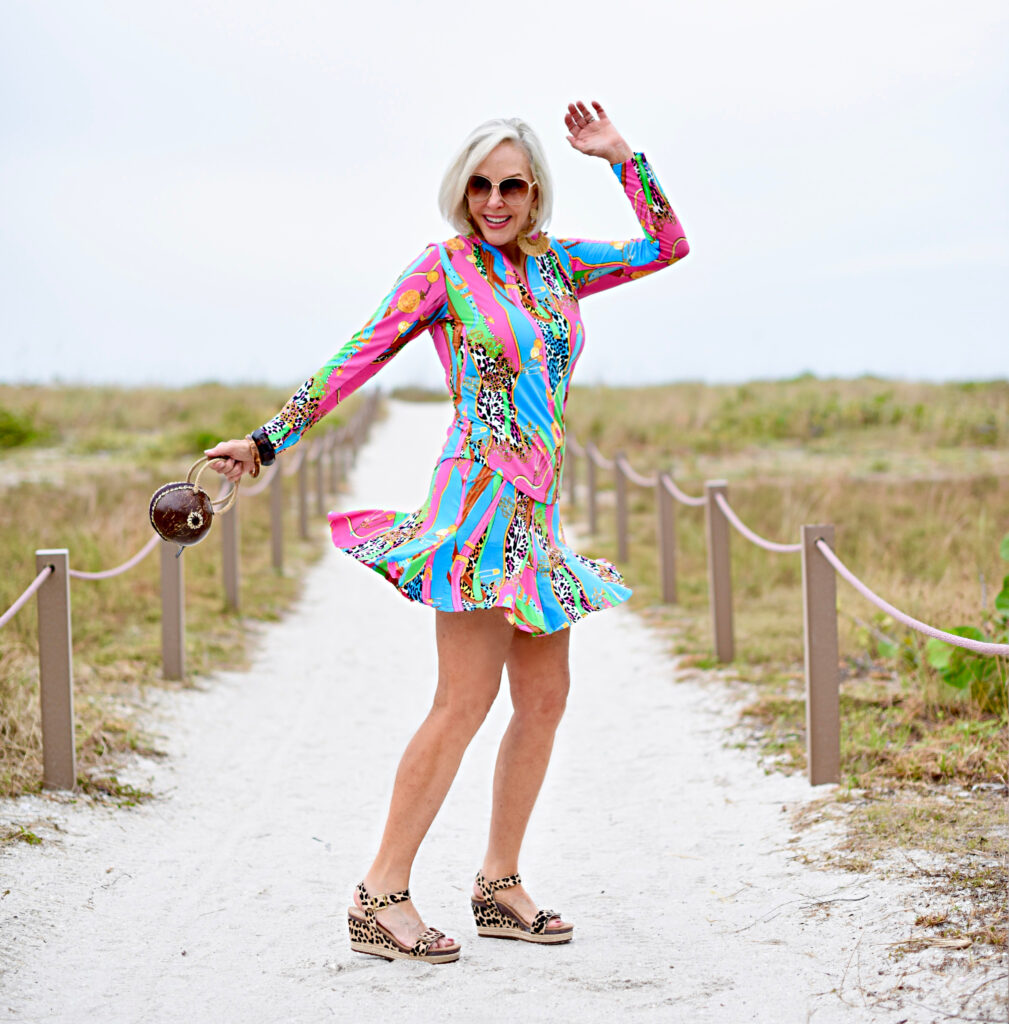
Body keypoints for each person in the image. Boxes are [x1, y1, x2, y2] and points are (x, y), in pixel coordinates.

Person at [207, 100, 689, 964]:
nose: (494, 200)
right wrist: (265, 441)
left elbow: (666, 244)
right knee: (461, 702)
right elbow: (354, 359)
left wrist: (622, 158)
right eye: (478, 184)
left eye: (510, 184)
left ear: (535, 190)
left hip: (535, 517)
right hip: (473, 509)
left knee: (543, 702)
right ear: (460, 191)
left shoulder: (559, 269)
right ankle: (379, 893)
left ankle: (498, 884)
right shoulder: (443, 270)